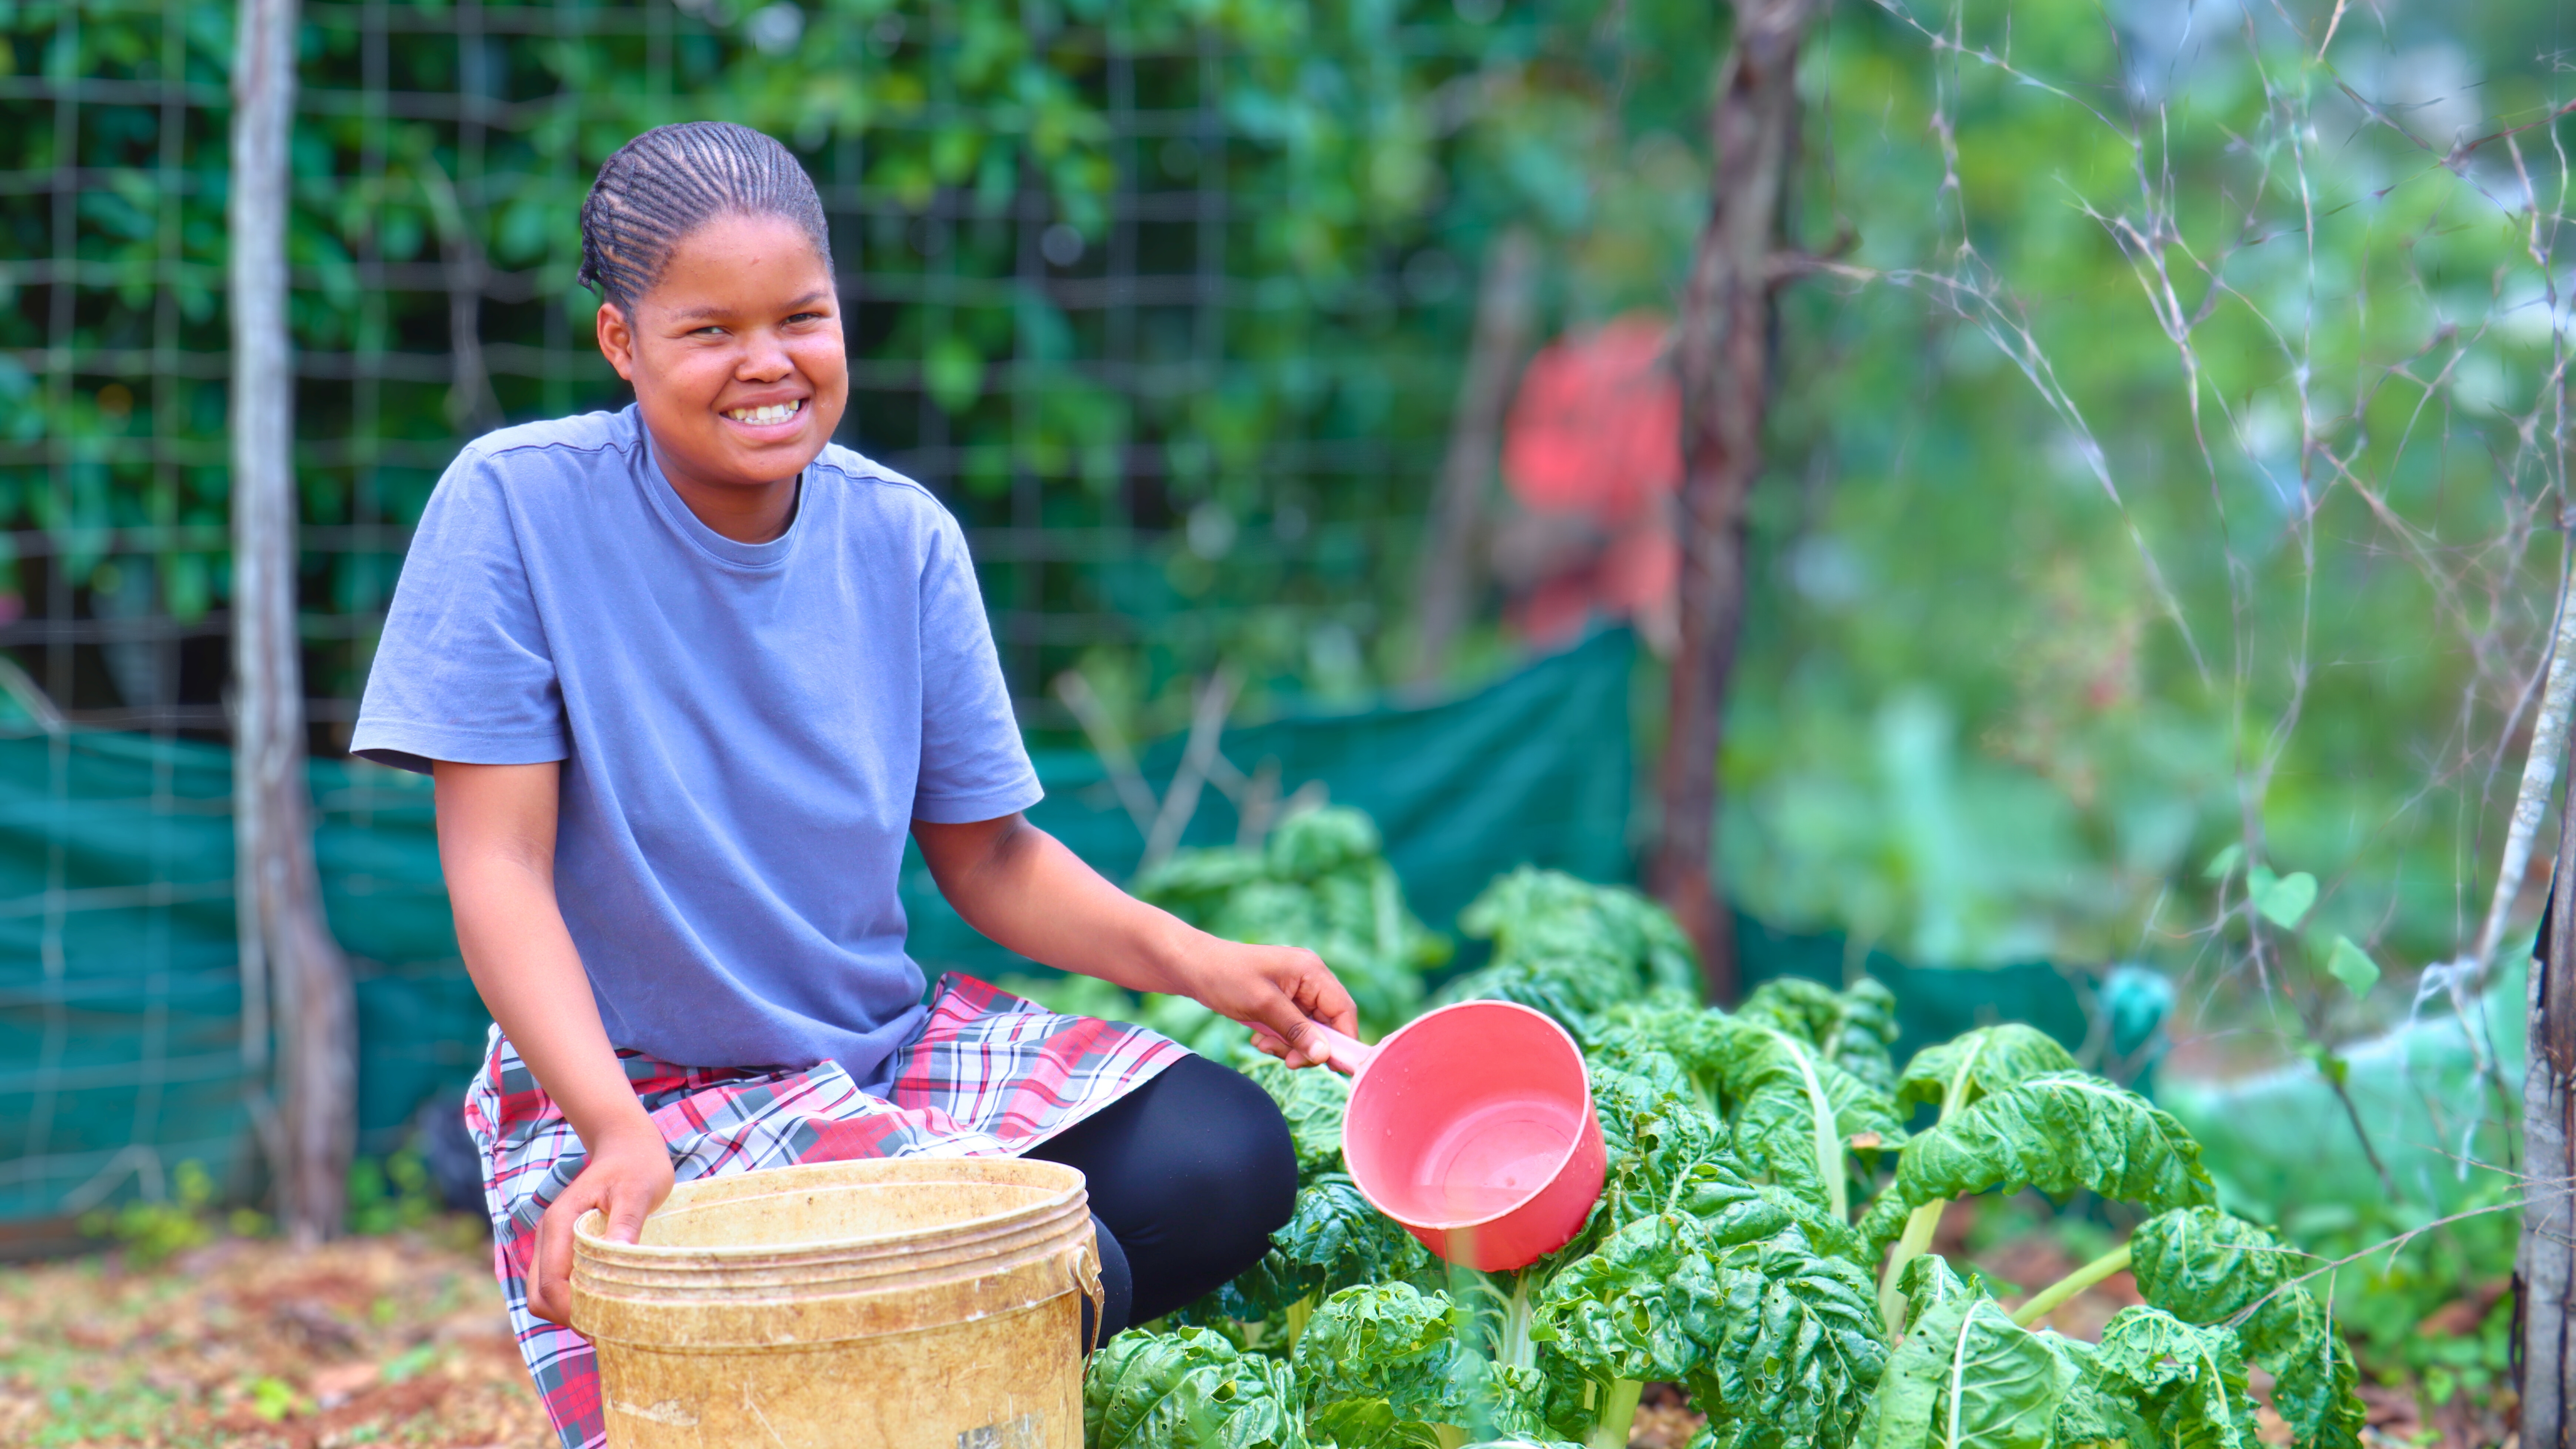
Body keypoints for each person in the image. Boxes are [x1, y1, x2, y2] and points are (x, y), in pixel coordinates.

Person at [349, 120, 1356, 1449]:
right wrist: (607, 1128)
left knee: (1225, 1157)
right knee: (983, 1253)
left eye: (802, 318)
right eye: (709, 330)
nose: (767, 364)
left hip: (878, 1054)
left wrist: (1207, 963)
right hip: (640, 1088)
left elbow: (988, 861)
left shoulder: (902, 540)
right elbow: (498, 868)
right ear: (621, 344)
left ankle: (889, 1386)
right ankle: (917, 1383)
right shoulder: (518, 509)